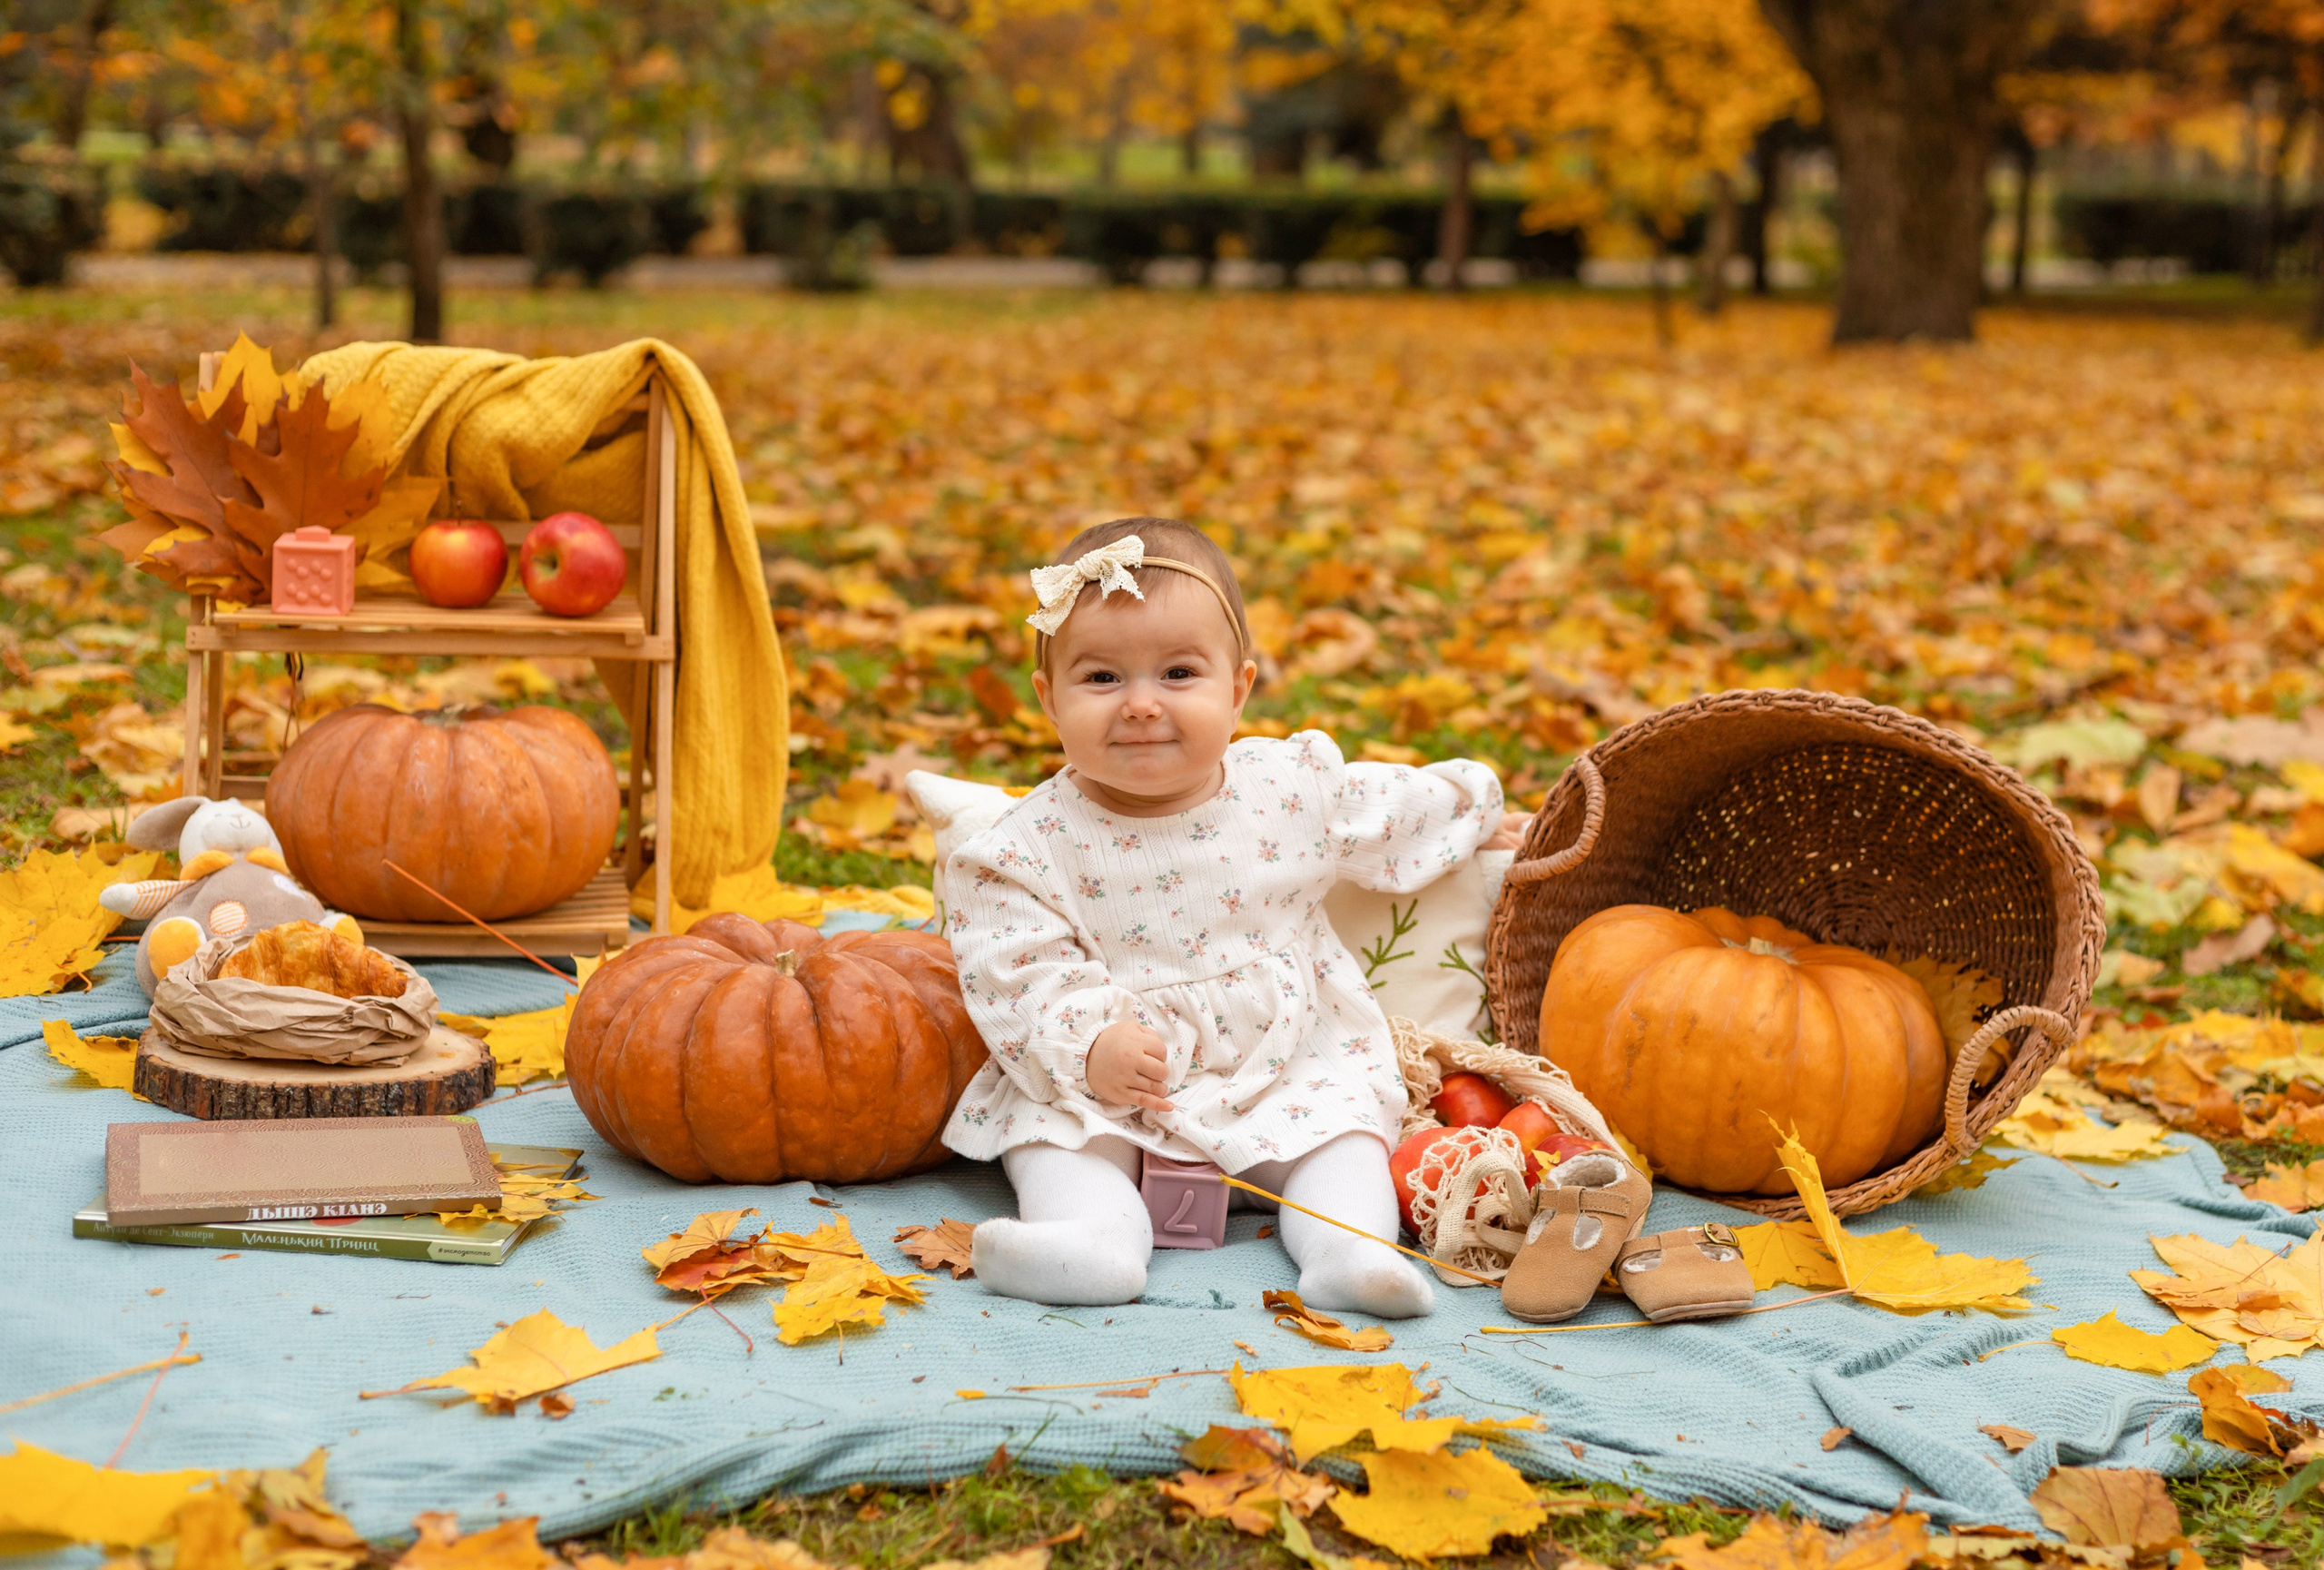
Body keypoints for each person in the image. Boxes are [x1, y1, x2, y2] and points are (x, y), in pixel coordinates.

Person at [940, 517, 1530, 1316]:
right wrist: (1090, 1043)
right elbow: (1014, 964)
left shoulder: (1285, 788)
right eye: (1103, 678)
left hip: (1282, 1061)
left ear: (1239, 687)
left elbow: (1389, 806)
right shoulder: (1027, 846)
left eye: (1179, 673)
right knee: (1055, 1135)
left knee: (1346, 1129)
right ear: (1049, 699)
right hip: (1122, 1082)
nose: (1142, 704)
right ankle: (1092, 1239)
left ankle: (1346, 1248)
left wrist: (1474, 813)